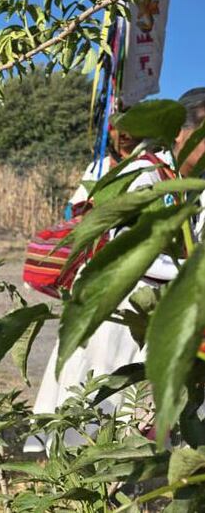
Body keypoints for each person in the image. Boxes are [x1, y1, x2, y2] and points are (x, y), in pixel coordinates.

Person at [28, 88, 205, 451]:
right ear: (177, 133)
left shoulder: (194, 187)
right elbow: (132, 247)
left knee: (139, 413)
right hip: (120, 309)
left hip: (158, 311)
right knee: (100, 399)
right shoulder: (145, 175)